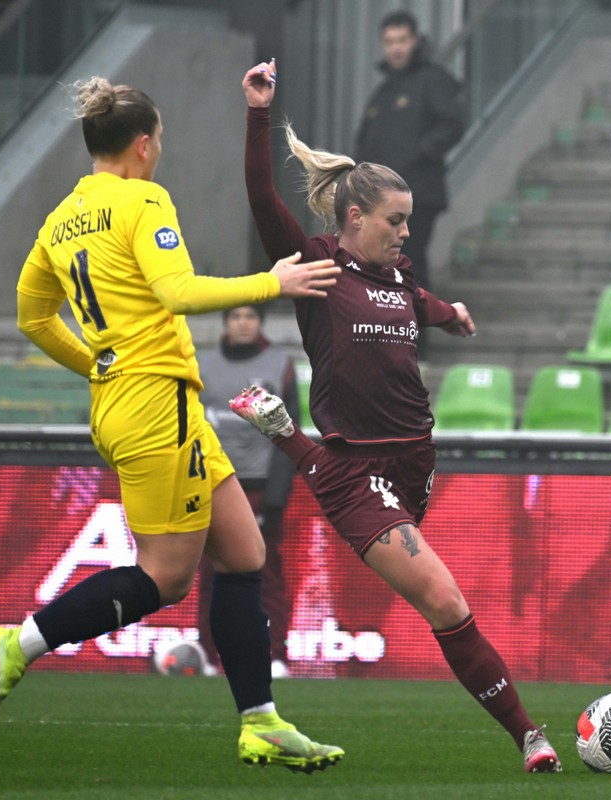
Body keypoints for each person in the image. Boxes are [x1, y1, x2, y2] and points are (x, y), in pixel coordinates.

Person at [0, 76, 345, 773]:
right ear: (143, 145)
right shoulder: (143, 200)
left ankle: (261, 723)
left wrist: (96, 364)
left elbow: (32, 315)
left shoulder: (60, 219)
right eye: (161, 140)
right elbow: (178, 291)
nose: (161, 151)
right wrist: (274, 281)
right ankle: (16, 645)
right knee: (166, 578)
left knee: (244, 555)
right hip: (154, 404)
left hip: (136, 400)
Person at [238, 60, 562, 773]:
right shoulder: (317, 266)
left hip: (413, 461)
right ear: (355, 218)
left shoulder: (396, 276)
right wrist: (259, 112)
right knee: (446, 600)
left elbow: (416, 303)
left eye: (408, 220)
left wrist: (451, 315)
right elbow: (262, 195)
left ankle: (285, 434)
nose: (406, 232)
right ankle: (530, 736)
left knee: (441, 604)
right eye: (397, 220)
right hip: (358, 472)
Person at [197, 304, 299, 679]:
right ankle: (210, 657)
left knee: (265, 573)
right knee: (210, 575)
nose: (243, 323)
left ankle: (274, 655)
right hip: (212, 484)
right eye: (236, 317)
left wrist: (275, 498)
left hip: (258, 486)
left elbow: (290, 434)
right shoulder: (200, 365)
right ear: (225, 322)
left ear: (260, 322)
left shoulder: (278, 365)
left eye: (250, 317)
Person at [353, 10, 465, 296]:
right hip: (381, 198)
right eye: (389, 42)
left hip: (417, 193)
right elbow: (365, 141)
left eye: (402, 40)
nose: (396, 48)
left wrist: (418, 153)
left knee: (407, 261)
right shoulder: (384, 91)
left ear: (415, 40)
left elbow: (452, 124)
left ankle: (419, 322)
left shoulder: (432, 79)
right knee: (386, 265)